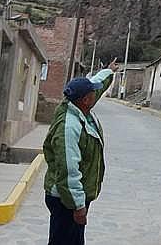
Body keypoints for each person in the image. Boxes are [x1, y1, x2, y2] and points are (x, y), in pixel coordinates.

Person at [43, 65, 115, 245]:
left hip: (73, 198)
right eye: (92, 94)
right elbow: (68, 170)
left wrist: (109, 70)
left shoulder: (78, 106)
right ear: (85, 99)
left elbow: (97, 83)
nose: (96, 95)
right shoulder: (69, 127)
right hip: (65, 200)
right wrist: (78, 206)